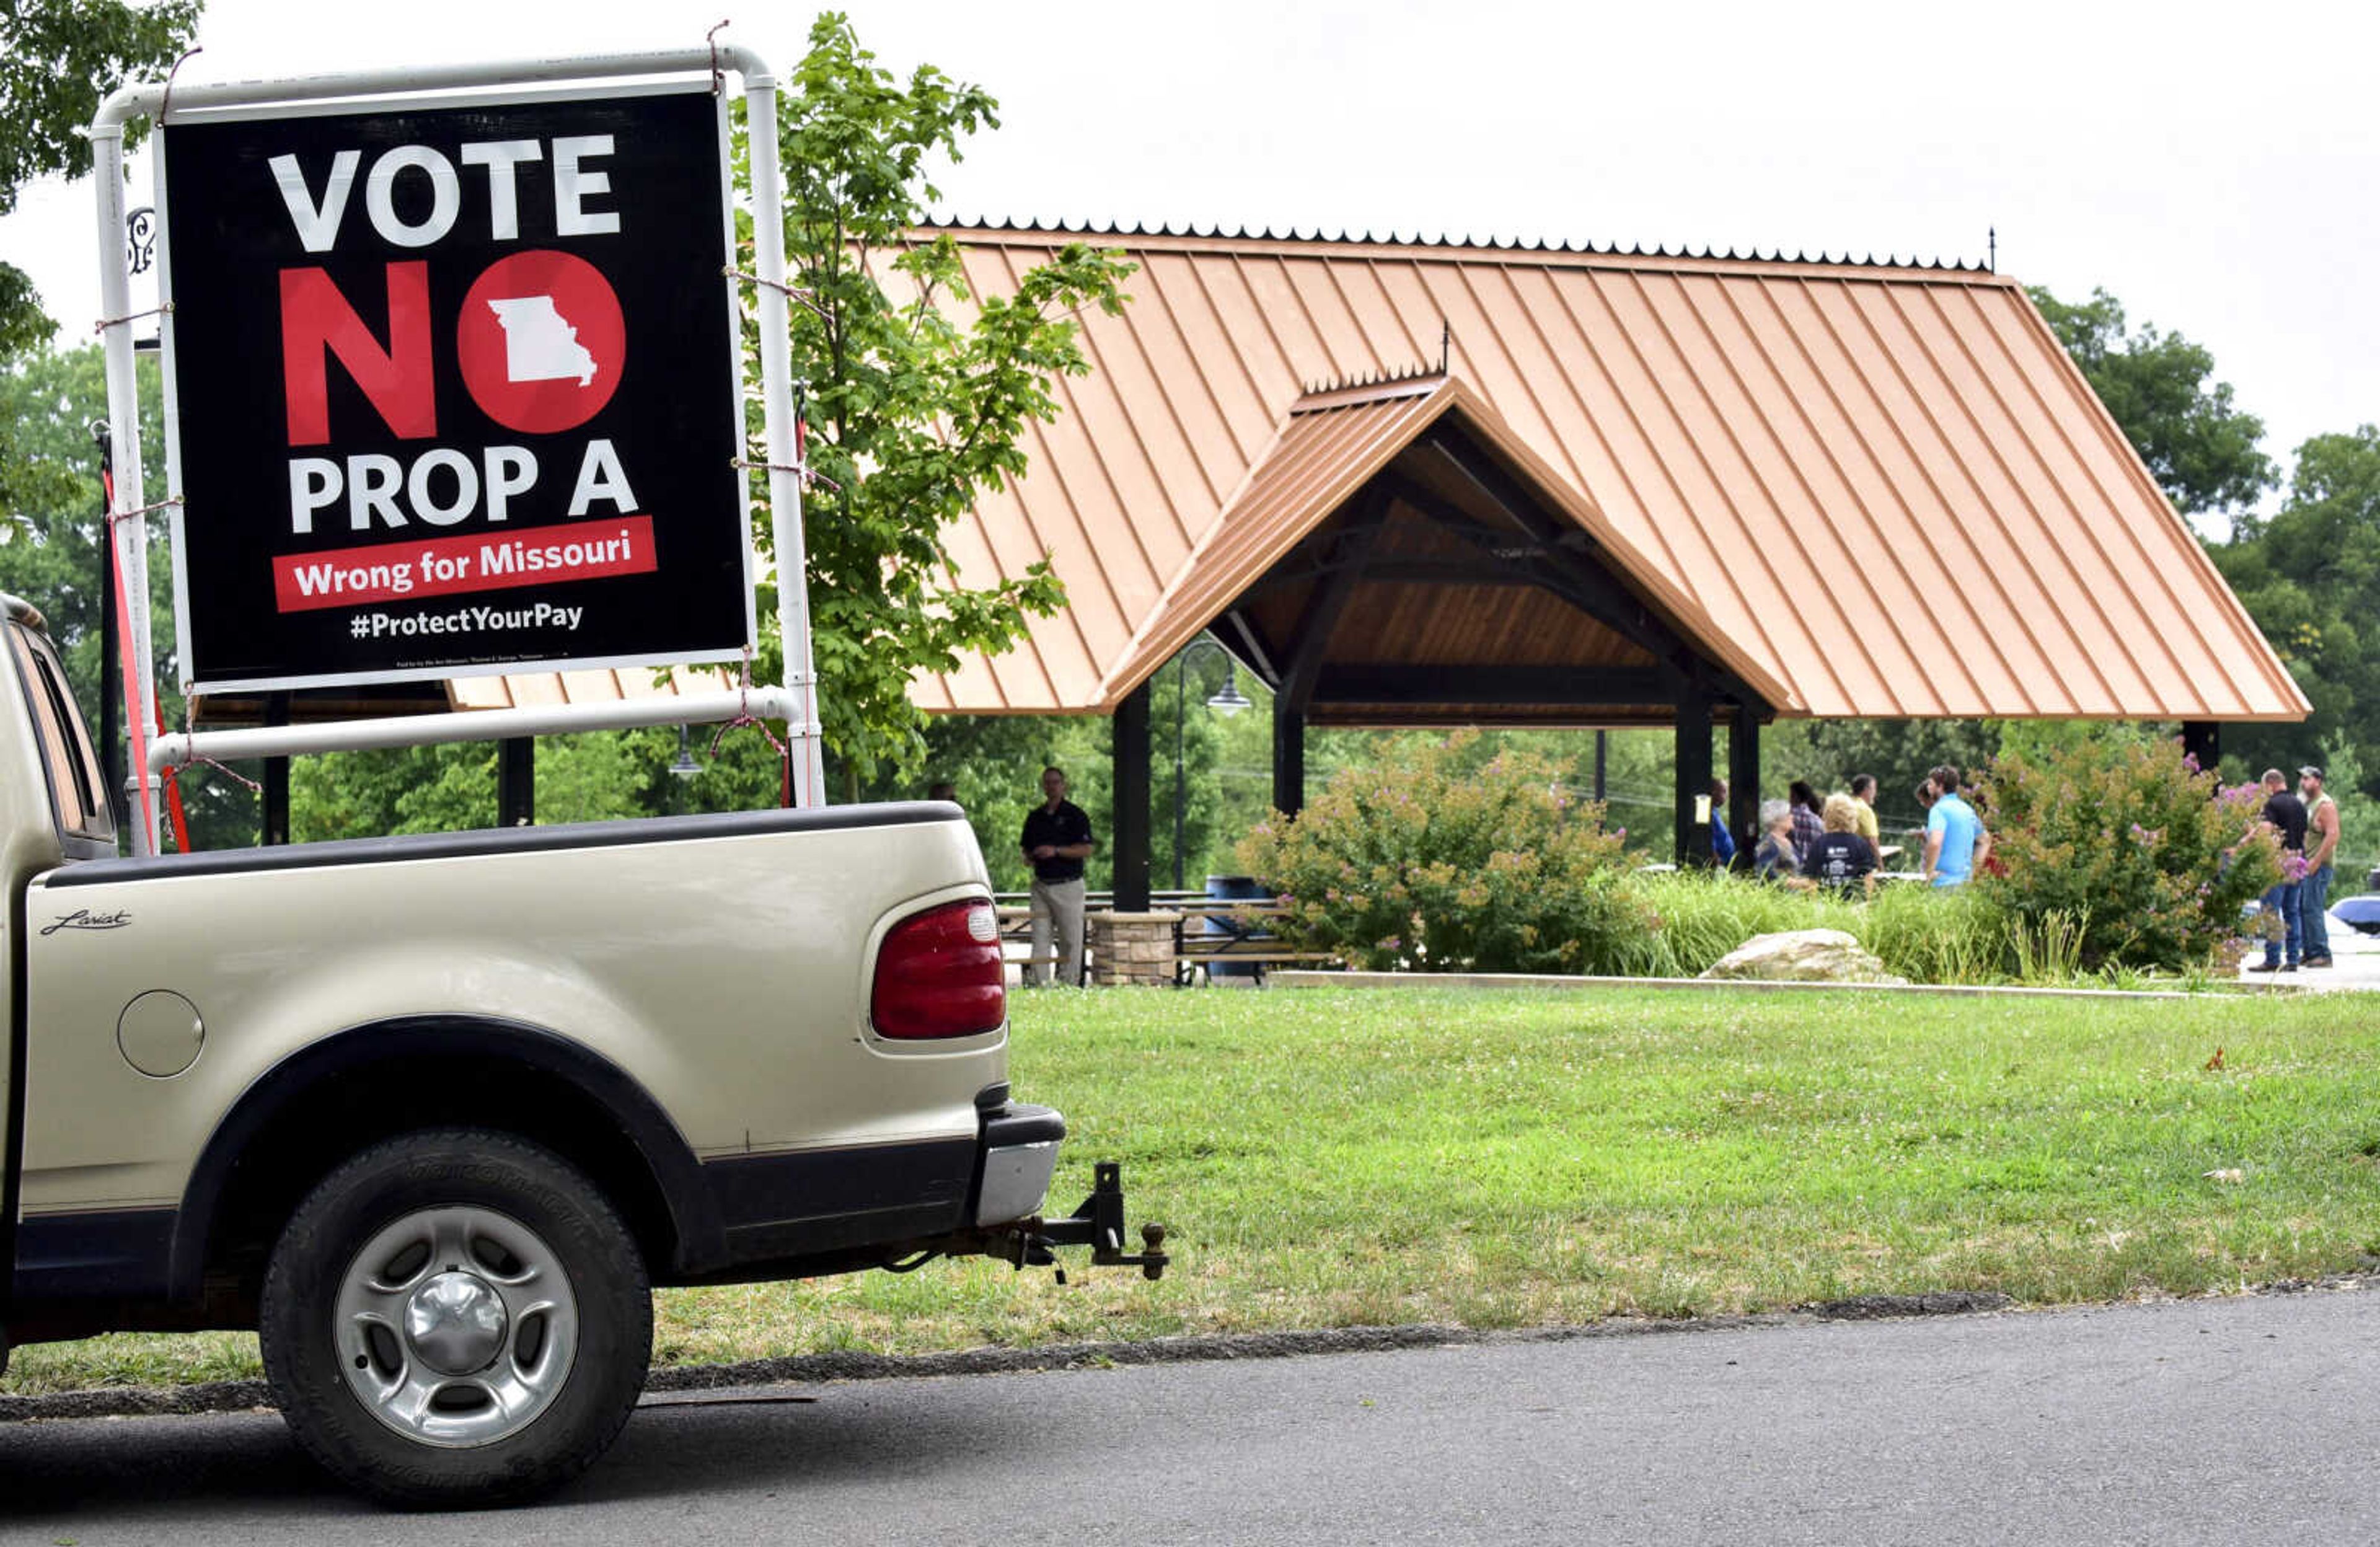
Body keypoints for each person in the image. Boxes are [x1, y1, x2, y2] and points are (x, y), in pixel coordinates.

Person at [1019, 765, 1095, 986]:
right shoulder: (1035, 817)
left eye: (1055, 782)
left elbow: (1086, 850)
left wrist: (1057, 851)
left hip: (1068, 885)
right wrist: (1032, 856)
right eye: (1047, 782)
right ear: (1043, 786)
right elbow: (1026, 849)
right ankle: (1040, 983)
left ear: (1064, 785)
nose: (1051, 787)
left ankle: (1068, 983)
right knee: (1040, 937)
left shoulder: (1075, 815)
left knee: (1071, 939)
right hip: (1042, 884)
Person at [2247, 767, 2308, 974]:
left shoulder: (2272, 804)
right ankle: (2292, 959)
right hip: (2298, 863)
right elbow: (2304, 835)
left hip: (2277, 863)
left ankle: (2273, 959)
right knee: (2292, 912)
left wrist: (2249, 841)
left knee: (2271, 911)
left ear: (2270, 785)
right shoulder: (2300, 805)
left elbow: (2265, 830)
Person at [1923, 764, 1987, 889]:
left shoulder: (1939, 810)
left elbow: (1935, 842)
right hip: (1964, 884)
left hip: (1942, 884)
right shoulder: (1967, 810)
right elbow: (1985, 840)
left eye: (1931, 784)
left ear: (1940, 787)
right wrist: (1972, 874)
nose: (1928, 788)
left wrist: (1929, 873)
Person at [2299, 765, 2338, 969]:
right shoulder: (2309, 803)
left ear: (2318, 781)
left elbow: (2333, 835)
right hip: (2305, 865)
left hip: (2319, 866)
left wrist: (2316, 861)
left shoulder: (2325, 805)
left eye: (2307, 779)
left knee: (2313, 908)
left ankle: (2322, 954)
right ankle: (2310, 952)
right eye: (2302, 779)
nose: (2303, 782)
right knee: (2303, 909)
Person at [1802, 792, 1879, 896]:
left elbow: (1812, 881)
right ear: (1852, 817)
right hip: (1855, 904)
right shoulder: (1860, 844)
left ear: (1826, 816)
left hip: (1825, 904)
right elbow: (1868, 878)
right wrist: (1869, 903)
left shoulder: (1818, 844)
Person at [1752, 800, 1799, 882]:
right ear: (1777, 821)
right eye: (1788, 814)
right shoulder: (1767, 844)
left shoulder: (1787, 841)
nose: (1792, 816)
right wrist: (1795, 883)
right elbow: (1766, 873)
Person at [1787, 780, 1825, 860]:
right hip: (1812, 868)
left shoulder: (1786, 819)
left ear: (1794, 796)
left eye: (1790, 795)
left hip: (1791, 868)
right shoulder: (1819, 822)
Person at [1846, 774, 1882, 855]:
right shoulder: (1864, 809)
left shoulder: (1844, 807)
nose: (1875, 793)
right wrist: (1880, 865)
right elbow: (1872, 841)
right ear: (1866, 790)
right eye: (1874, 789)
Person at [1708, 777, 1736, 868]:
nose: (1726, 796)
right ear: (1713, 792)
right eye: (1723, 791)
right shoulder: (1707, 814)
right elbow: (1709, 840)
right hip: (1718, 866)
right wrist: (1718, 863)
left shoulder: (1715, 811)